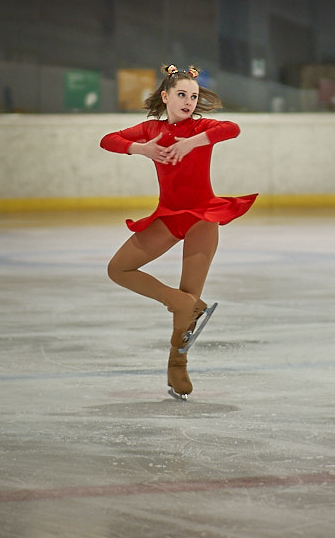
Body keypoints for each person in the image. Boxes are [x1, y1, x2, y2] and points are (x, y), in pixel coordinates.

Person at [101, 64, 257, 400]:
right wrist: (142, 149)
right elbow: (107, 140)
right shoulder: (150, 130)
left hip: (202, 216)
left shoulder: (203, 127)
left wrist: (192, 143)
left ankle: (177, 364)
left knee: (187, 299)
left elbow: (232, 128)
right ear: (166, 96)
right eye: (182, 95)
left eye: (193, 96)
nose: (188, 101)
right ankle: (183, 304)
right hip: (169, 216)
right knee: (118, 269)